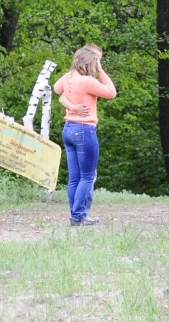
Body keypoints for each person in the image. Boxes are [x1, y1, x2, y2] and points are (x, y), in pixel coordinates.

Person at [53, 44, 117, 227]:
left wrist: (71, 105)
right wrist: (101, 70)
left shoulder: (69, 78)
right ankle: (78, 216)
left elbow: (57, 89)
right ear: (91, 62)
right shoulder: (87, 81)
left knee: (74, 178)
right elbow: (111, 92)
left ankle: (75, 214)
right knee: (87, 177)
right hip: (84, 131)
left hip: (68, 129)